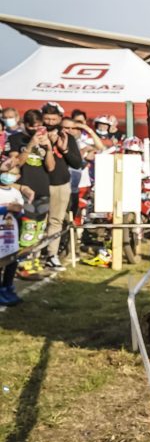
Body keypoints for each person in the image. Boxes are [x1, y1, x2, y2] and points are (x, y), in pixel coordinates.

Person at [6, 109, 55, 276]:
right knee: (27, 228)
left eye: (40, 126)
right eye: (33, 127)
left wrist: (48, 148)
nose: (37, 130)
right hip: (24, 188)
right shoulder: (15, 139)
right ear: (26, 125)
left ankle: (32, 259)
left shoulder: (44, 139)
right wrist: (30, 145)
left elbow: (51, 167)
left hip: (43, 188)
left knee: (39, 228)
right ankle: (20, 262)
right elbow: (16, 163)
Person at [37, 103, 83, 269]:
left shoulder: (66, 137)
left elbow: (77, 163)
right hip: (38, 183)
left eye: (53, 119)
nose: (49, 122)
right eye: (47, 118)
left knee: (56, 221)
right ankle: (32, 254)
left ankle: (51, 254)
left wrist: (63, 150)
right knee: (37, 220)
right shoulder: (35, 134)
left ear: (60, 119)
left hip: (61, 183)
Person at [0, 152, 27, 305]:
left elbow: (20, 213)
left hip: (10, 236)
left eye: (12, 173)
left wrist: (16, 211)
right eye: (5, 172)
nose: (8, 175)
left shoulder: (16, 193)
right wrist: (5, 209)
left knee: (11, 262)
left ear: (17, 177)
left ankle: (8, 287)